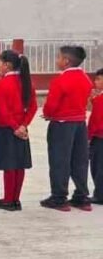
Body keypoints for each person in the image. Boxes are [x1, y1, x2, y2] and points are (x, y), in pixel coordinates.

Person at [41, 46, 94, 211]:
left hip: (62, 124)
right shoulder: (85, 78)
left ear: (66, 61)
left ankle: (59, 197)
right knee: (80, 161)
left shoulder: (61, 80)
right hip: (80, 123)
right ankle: (81, 196)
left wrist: (48, 114)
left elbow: (50, 105)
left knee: (59, 161)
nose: (57, 60)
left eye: (58, 58)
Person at [0, 50, 37, 211]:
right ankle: (16, 198)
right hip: (22, 128)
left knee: (9, 165)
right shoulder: (27, 82)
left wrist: (15, 127)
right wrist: (23, 125)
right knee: (19, 164)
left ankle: (8, 199)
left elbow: (2, 110)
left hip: (6, 128)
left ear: (7, 65)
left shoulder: (3, 84)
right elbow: (33, 107)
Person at [89, 68, 103, 205]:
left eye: (99, 79)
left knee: (98, 167)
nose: (95, 82)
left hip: (99, 137)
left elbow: (96, 120)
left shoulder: (100, 99)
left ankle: (100, 195)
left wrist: (89, 136)